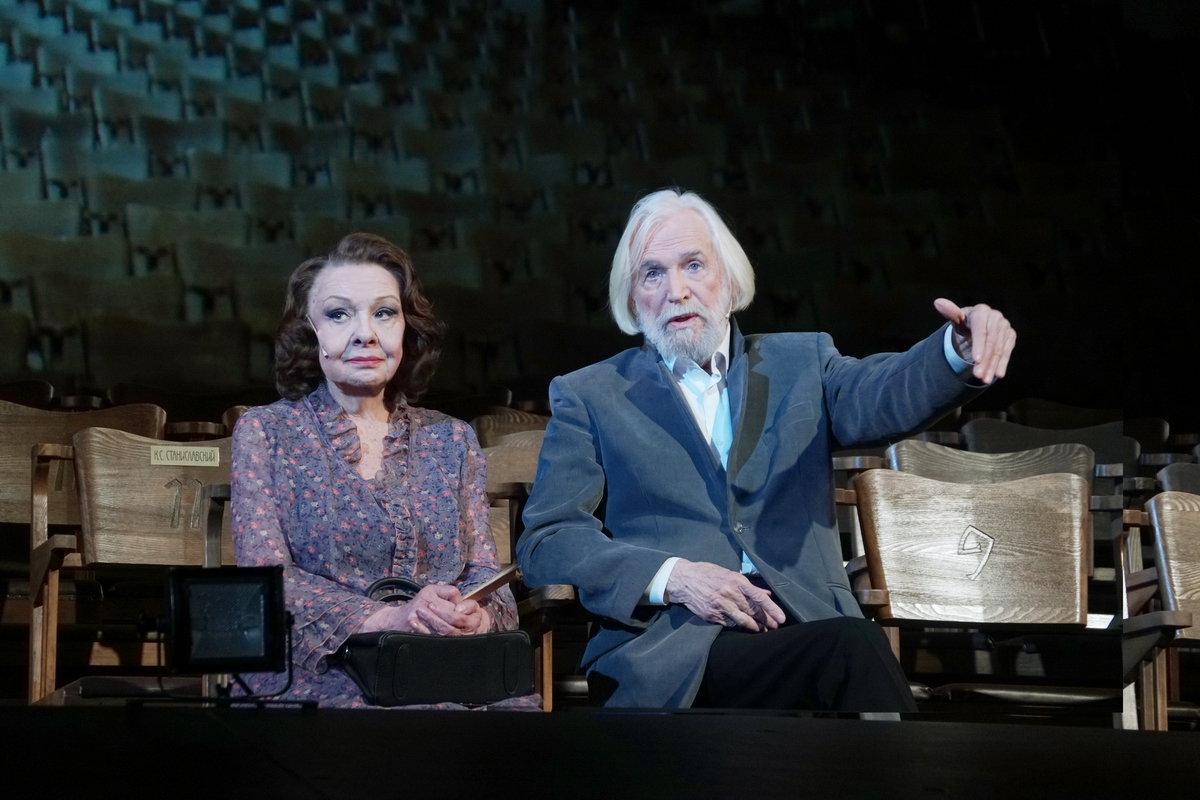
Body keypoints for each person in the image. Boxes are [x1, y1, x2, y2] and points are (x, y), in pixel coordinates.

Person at [516, 189, 1016, 711]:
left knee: (848, 648)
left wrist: (954, 352)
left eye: (693, 265)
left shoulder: (801, 362)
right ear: (632, 300)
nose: (676, 290)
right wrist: (674, 577)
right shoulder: (590, 394)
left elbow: (882, 395)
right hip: (673, 648)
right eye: (653, 274)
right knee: (852, 650)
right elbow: (549, 541)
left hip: (802, 622)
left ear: (730, 283)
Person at [231, 233, 531, 708]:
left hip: (443, 671)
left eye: (384, 313)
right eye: (339, 314)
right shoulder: (268, 432)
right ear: (310, 331)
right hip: (323, 672)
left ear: (406, 328)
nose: (365, 333)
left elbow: (486, 580)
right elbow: (267, 583)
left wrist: (476, 616)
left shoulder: (452, 439)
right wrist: (392, 618)